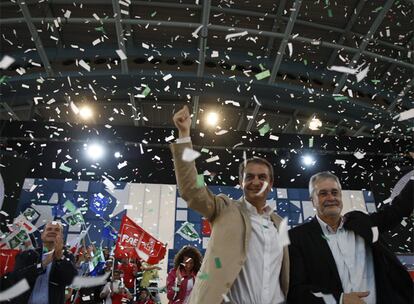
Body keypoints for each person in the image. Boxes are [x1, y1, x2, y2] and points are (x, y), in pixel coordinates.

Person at [171, 105, 289, 304]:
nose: (256, 182)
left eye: (262, 177)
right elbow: (192, 189)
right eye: (249, 177)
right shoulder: (224, 208)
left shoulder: (279, 224)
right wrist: (184, 135)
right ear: (241, 183)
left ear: (271, 184)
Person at [288, 171, 414, 304]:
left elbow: (397, 210)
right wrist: (340, 299)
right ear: (312, 200)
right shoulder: (297, 237)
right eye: (323, 193)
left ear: (341, 196)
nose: (331, 198)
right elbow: (296, 290)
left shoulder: (362, 222)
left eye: (335, 192)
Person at [8, 220, 78, 304]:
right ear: (42, 235)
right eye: (49, 229)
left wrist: (60, 258)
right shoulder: (27, 255)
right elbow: (15, 279)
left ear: (61, 236)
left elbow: (72, 280)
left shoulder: (67, 256)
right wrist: (42, 265)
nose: (52, 231)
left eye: (57, 230)